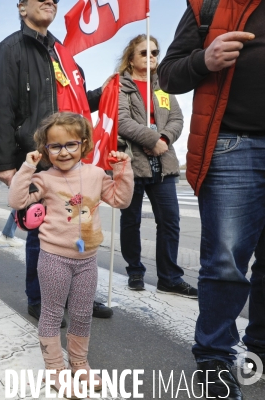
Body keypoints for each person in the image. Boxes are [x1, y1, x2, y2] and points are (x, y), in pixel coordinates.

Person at [158, 1, 265, 398]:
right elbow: (167, 74)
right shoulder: (209, 4)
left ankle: (260, 349)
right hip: (235, 143)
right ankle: (215, 357)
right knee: (226, 262)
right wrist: (206, 58)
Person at [0, 0, 114, 322]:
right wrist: (5, 164)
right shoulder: (10, 49)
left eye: (55, 0)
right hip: (37, 158)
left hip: (72, 161)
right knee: (40, 233)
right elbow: (1, 109)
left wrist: (108, 89)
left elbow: (78, 104)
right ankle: (41, 298)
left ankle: (78, 295)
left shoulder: (62, 53)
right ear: (20, 7)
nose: (50, 2)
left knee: (79, 225)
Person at [9, 112, 133, 396]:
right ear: (45, 149)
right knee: (52, 313)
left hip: (88, 260)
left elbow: (121, 200)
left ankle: (79, 363)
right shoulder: (43, 178)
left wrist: (124, 170)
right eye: (55, 146)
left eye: (71, 145)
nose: (63, 152)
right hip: (54, 257)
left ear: (84, 144)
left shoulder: (96, 174)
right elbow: (17, 201)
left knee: (82, 314)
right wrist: (28, 167)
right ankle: (55, 369)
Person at [117, 35, 198, 298]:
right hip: (132, 162)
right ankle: (135, 271)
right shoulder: (120, 86)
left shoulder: (163, 85)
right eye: (144, 53)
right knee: (131, 221)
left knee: (170, 221)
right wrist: (152, 139)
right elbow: (122, 121)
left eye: (155, 52)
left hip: (163, 162)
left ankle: (170, 278)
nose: (151, 56)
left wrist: (163, 140)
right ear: (131, 58)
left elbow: (176, 118)